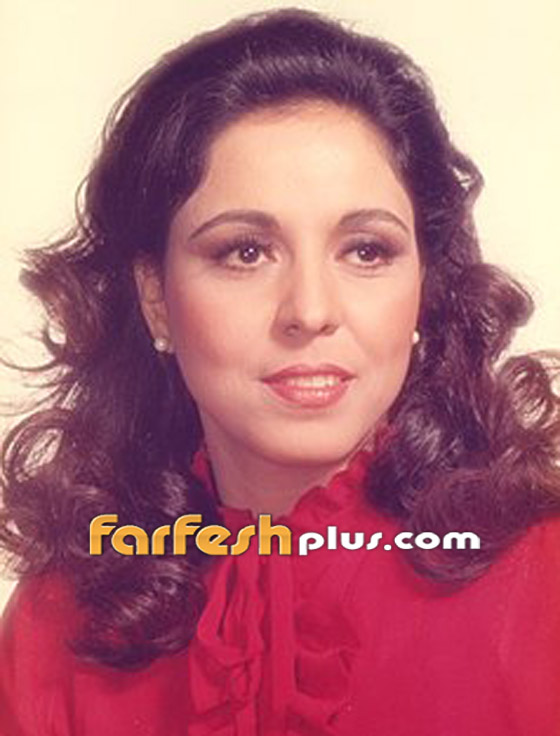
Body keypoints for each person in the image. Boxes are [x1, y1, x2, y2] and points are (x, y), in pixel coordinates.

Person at [1, 8, 559, 735]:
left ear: (425, 283)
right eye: (245, 252)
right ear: (156, 297)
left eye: (366, 250)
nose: (310, 311)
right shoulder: (58, 627)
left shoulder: (545, 583)